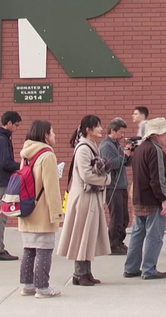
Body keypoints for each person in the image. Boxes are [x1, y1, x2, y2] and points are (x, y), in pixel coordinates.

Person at [57, 115, 112, 286]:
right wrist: (106, 180)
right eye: (97, 126)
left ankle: (86, 272)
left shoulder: (90, 146)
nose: (101, 129)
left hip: (90, 197)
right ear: (88, 129)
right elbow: (86, 174)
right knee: (82, 234)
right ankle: (79, 273)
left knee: (88, 235)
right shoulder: (83, 149)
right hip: (83, 197)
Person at [17, 120, 65, 298]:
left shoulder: (26, 155)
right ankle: (43, 288)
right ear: (45, 135)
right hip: (42, 212)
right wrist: (56, 214)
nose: (55, 135)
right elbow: (51, 189)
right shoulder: (47, 156)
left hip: (26, 209)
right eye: (53, 132)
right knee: (44, 249)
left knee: (29, 249)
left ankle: (28, 286)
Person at [123, 117, 166, 280]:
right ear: (156, 134)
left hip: (138, 199)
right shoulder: (156, 150)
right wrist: (164, 199)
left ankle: (131, 268)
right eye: (165, 133)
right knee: (155, 235)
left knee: (138, 234)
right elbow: (157, 178)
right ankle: (149, 269)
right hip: (152, 200)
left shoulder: (140, 149)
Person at [0, 111, 22, 261]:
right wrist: (21, 166)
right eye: (16, 125)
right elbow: (5, 163)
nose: (17, 128)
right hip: (1, 181)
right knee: (0, 216)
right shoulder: (1, 139)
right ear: (9, 123)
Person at [100, 117, 131, 255]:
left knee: (124, 217)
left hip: (121, 185)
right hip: (113, 186)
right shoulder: (106, 146)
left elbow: (124, 163)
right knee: (116, 216)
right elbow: (110, 164)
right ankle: (112, 244)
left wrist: (129, 154)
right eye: (120, 132)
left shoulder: (116, 144)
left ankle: (119, 241)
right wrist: (124, 155)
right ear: (112, 131)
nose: (122, 135)